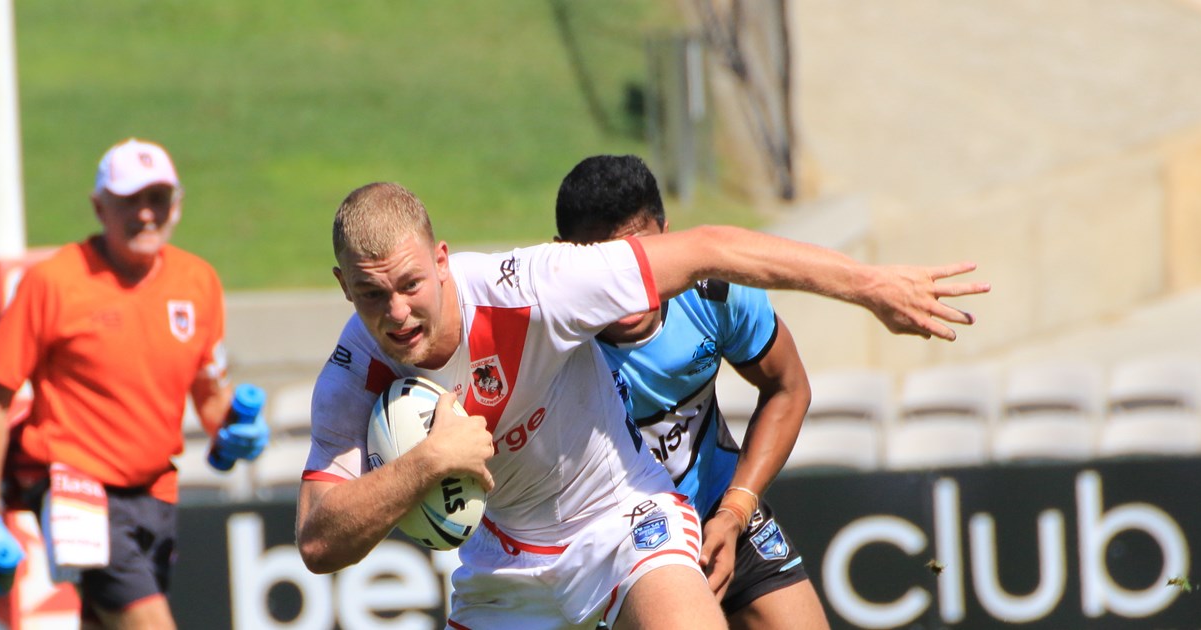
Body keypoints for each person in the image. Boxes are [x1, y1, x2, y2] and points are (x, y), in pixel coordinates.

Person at [297, 182, 987, 629]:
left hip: (623, 522)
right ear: (343, 286)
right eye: (370, 294)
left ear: (442, 259)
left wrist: (869, 285)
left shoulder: (534, 287)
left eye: (411, 284)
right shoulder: (351, 378)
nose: (396, 312)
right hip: (502, 570)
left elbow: (711, 247)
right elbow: (319, 542)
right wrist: (427, 463)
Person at [0, 138, 267, 630]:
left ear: (177, 205)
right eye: (130, 200)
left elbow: (210, 395)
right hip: (75, 486)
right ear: (99, 207)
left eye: (158, 198)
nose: (146, 214)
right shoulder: (54, 282)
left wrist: (234, 430)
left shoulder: (199, 282)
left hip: (156, 489)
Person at [554, 155, 828, 629]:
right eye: (604, 265)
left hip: (717, 512)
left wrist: (735, 511)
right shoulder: (544, 339)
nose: (626, 284)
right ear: (562, 257)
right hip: (615, 545)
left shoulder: (715, 293)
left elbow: (788, 388)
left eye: (642, 258)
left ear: (670, 238)